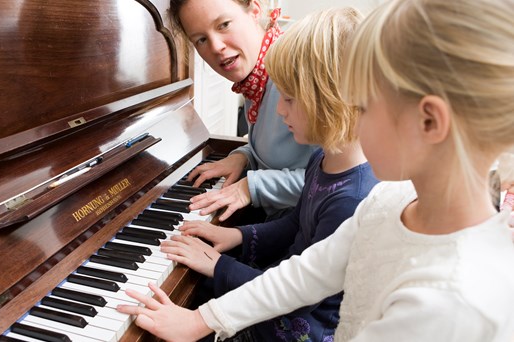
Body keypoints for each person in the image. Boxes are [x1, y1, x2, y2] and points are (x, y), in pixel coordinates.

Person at [117, 0, 514, 340]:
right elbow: (306, 273)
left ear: (428, 122)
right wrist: (201, 320)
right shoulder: (388, 202)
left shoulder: (449, 301)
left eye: (361, 105)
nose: (348, 121)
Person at [161, 8, 374, 341]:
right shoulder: (323, 158)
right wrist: (239, 236)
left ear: (331, 99)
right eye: (200, 39)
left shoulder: (350, 200)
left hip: (297, 327)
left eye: (288, 98)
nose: (278, 107)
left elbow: (299, 296)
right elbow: (296, 223)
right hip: (283, 288)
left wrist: (218, 269)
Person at [168, 0, 318, 221]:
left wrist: (250, 187)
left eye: (224, 25)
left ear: (254, 10)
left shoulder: (301, 69)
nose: (216, 46)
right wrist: (244, 157)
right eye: (201, 39)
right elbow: (283, 151)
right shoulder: (255, 76)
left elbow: (338, 180)